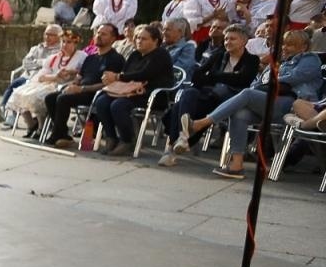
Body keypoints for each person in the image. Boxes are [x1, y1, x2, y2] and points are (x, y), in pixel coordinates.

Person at [189, 29, 324, 179]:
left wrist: (273, 77)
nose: (285, 48)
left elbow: (295, 77)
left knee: (247, 94)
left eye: (290, 45)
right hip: (270, 101)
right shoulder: (280, 61)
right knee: (239, 113)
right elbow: (259, 81)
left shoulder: (310, 59)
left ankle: (203, 122)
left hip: (293, 105)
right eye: (284, 44)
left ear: (304, 47)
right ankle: (236, 165)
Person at [158, 24, 258, 167]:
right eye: (226, 39)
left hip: (229, 100)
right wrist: (225, 77)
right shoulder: (219, 55)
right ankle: (182, 137)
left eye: (233, 39)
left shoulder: (251, 60)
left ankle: (173, 147)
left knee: (182, 107)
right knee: (190, 93)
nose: (228, 42)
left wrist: (214, 76)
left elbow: (243, 80)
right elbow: (197, 76)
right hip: (208, 95)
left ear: (244, 41)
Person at [91, 24, 175, 156]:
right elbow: (127, 72)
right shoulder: (135, 54)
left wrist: (117, 76)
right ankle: (111, 137)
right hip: (129, 92)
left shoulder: (161, 55)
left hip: (151, 95)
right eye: (137, 38)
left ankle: (127, 140)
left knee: (118, 105)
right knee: (102, 101)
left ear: (155, 41)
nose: (139, 41)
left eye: (144, 39)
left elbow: (145, 74)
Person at [41, 24, 125, 148]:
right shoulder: (90, 58)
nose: (99, 36)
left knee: (62, 99)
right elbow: (79, 78)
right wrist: (72, 85)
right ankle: (63, 134)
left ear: (113, 39)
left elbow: (108, 84)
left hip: (96, 93)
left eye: (104, 34)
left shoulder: (116, 59)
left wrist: (81, 88)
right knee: (50, 98)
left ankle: (57, 135)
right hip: (81, 90)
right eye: (98, 33)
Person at [9, 27, 83, 136]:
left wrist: (72, 72)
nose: (65, 45)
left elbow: (82, 73)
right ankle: (31, 124)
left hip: (63, 86)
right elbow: (41, 76)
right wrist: (55, 77)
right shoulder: (54, 58)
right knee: (19, 93)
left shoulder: (81, 56)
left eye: (69, 42)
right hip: (49, 82)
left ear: (75, 44)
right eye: (63, 42)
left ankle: (41, 127)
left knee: (38, 97)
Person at [0, 23, 64, 122]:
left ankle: (12, 117)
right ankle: (3, 109)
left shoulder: (60, 50)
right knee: (14, 84)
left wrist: (36, 62)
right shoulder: (36, 48)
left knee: (20, 88)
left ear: (59, 36)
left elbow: (49, 64)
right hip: (28, 75)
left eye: (51, 35)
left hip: (42, 79)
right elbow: (26, 63)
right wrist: (40, 62)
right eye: (46, 34)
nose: (47, 37)